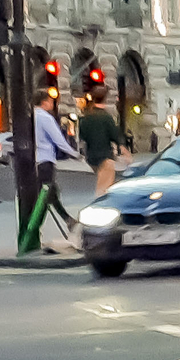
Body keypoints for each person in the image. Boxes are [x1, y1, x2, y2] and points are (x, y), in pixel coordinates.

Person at [31, 91, 80, 247]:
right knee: (46, 195)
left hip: (33, 161)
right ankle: (64, 220)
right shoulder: (45, 118)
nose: (52, 105)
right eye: (51, 101)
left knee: (46, 194)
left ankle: (66, 220)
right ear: (44, 102)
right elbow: (58, 139)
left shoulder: (30, 117)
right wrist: (74, 154)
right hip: (45, 159)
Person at [78, 97, 126, 190]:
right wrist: (122, 147)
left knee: (102, 181)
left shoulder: (86, 118)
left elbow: (82, 136)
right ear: (105, 99)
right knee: (105, 187)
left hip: (91, 155)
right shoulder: (106, 117)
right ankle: (101, 202)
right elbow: (114, 135)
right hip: (105, 155)